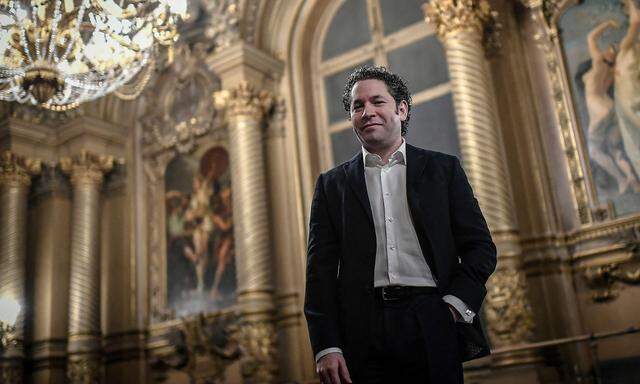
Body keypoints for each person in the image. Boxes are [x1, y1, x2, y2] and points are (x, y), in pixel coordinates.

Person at [304, 66, 497, 384]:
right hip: (362, 328)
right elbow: (319, 273)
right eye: (357, 106)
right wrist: (326, 346)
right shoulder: (331, 185)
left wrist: (452, 306)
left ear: (402, 108)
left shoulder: (443, 170)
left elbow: (481, 248)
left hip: (432, 318)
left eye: (377, 102)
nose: (367, 112)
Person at [583, 19, 639, 194]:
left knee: (593, 150)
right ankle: (631, 177)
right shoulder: (613, 72)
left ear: (610, 54)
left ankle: (621, 180)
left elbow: (591, 38)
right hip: (610, 107)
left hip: (597, 107)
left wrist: (607, 23)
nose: (607, 49)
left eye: (611, 48)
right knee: (614, 147)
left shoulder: (598, 62)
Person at [614, 0, 640, 184]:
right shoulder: (626, 49)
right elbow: (636, 21)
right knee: (633, 139)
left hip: (631, 96)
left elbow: (636, 21)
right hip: (627, 98)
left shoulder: (629, 49)